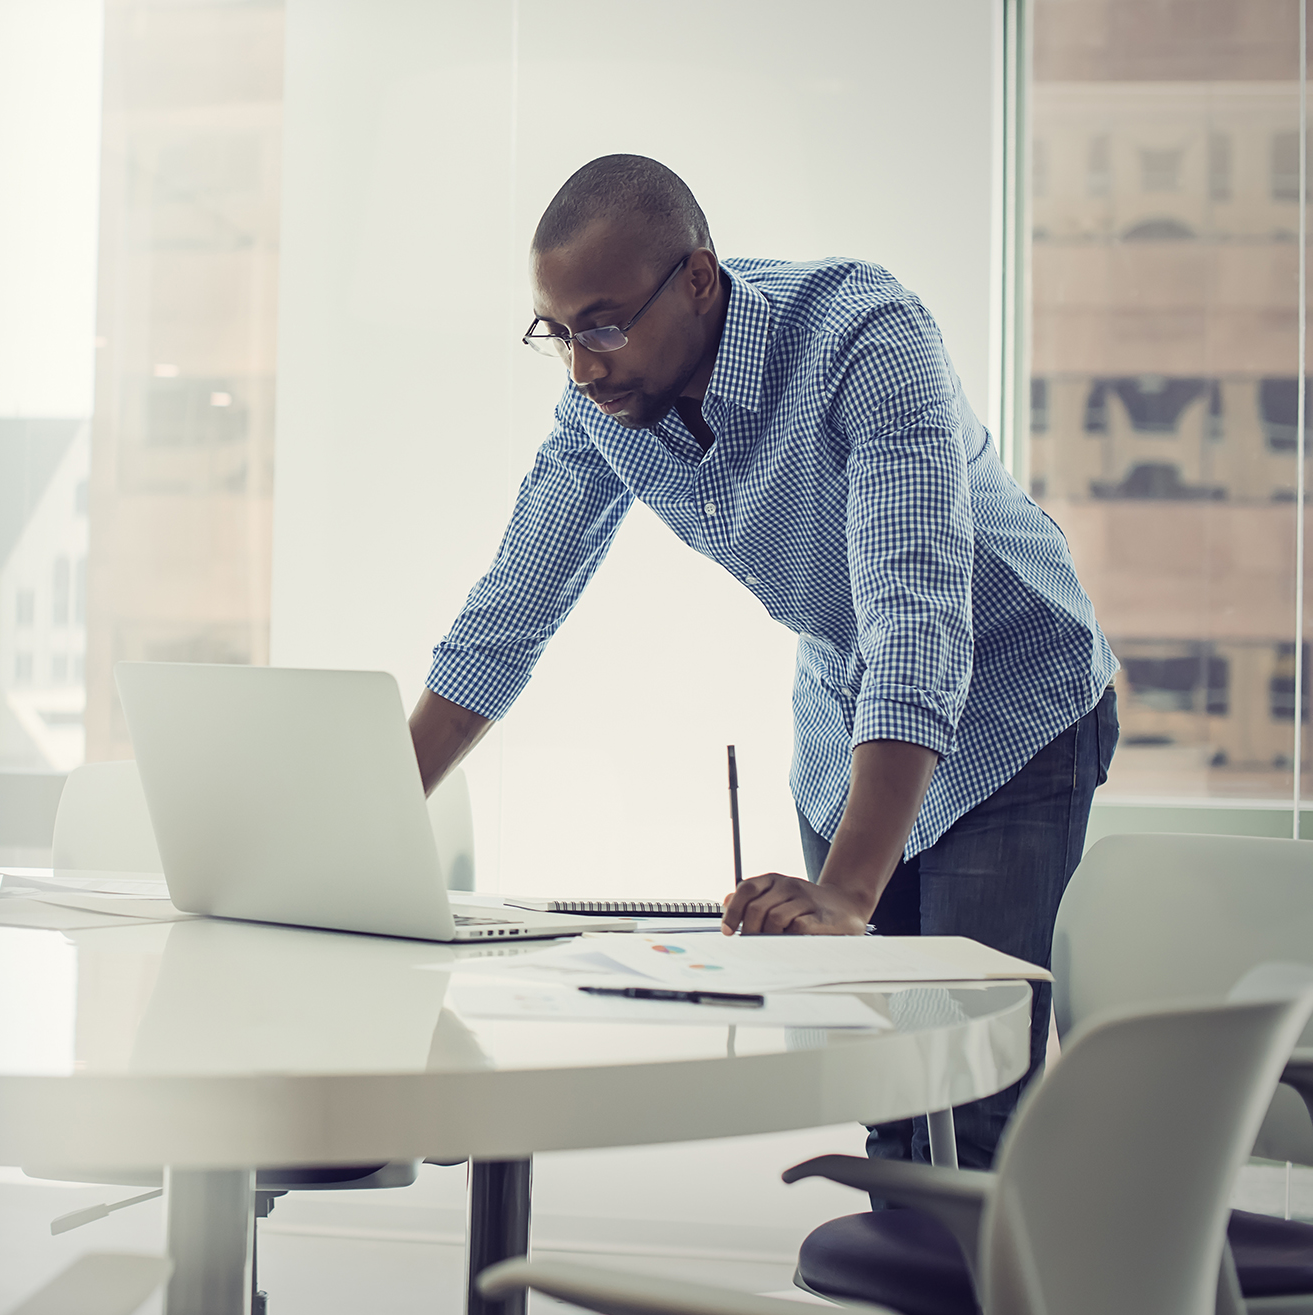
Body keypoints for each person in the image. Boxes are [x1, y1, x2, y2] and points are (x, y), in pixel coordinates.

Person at [407, 154, 1118, 1169]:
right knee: (885, 1086)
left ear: (698, 279)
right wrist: (376, 844)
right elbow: (505, 620)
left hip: (1013, 700)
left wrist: (848, 894)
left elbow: (915, 622)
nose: (582, 366)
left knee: (976, 1099)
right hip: (848, 723)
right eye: (557, 333)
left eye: (603, 323)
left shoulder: (864, 338)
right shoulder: (603, 414)